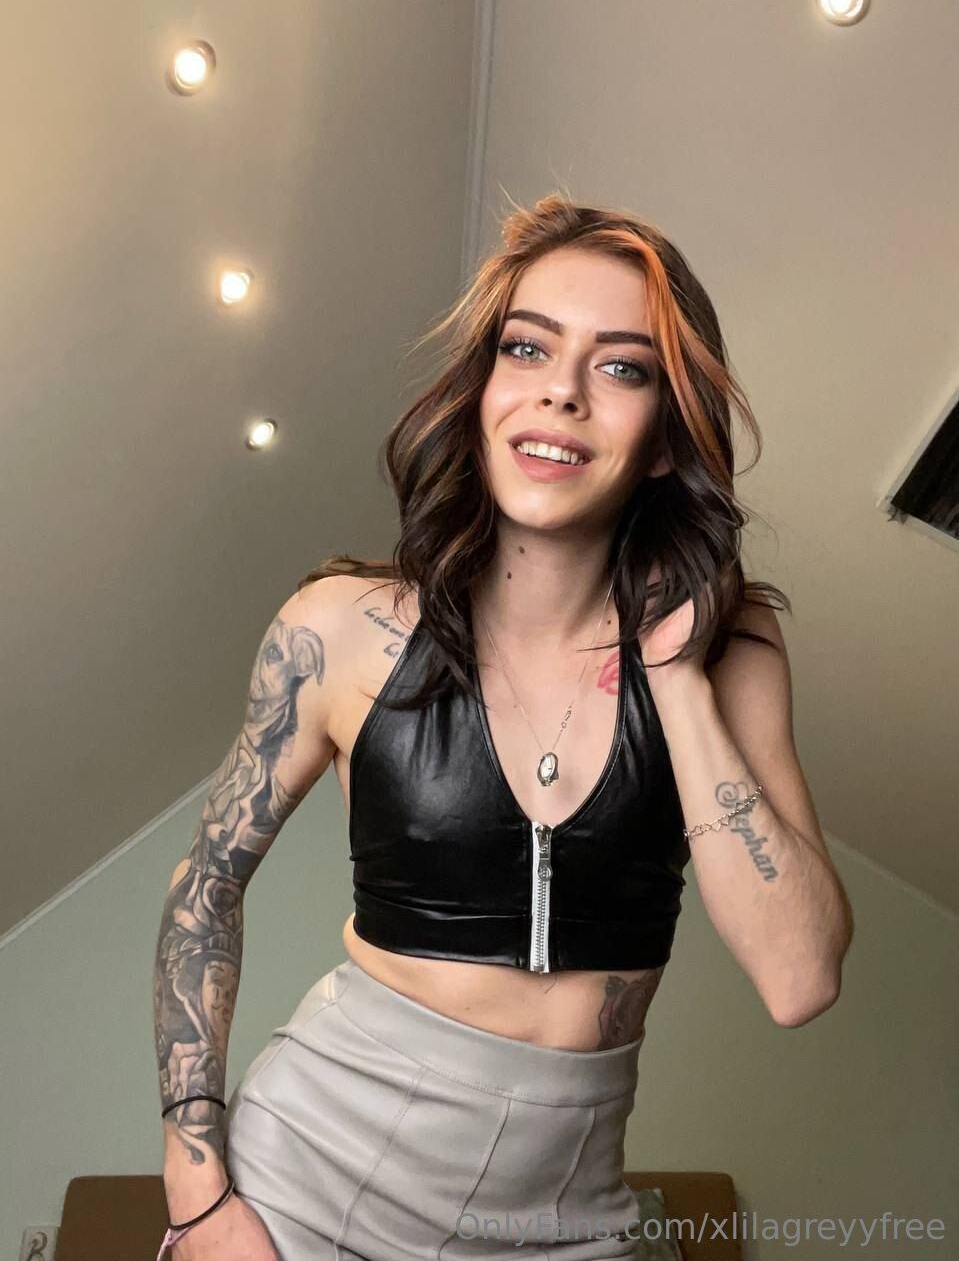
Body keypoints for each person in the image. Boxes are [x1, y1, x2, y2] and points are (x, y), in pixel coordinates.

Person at [152, 193, 854, 1260]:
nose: (561, 390)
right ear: (483, 391)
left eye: (621, 368)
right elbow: (206, 881)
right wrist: (197, 1187)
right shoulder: (339, 628)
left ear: (662, 441)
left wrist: (675, 679)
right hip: (307, 1187)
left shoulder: (730, 647)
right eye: (527, 348)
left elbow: (800, 979)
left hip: (564, 1219)